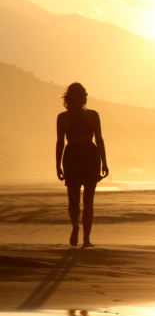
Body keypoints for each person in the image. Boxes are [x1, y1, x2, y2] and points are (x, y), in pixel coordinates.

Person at [56, 83, 109, 247]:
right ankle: (86, 240)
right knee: (88, 201)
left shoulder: (63, 118)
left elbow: (60, 143)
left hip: (72, 156)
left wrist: (57, 165)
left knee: (73, 200)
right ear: (84, 98)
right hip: (89, 155)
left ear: (67, 99)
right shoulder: (93, 115)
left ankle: (75, 227)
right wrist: (104, 163)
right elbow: (99, 139)